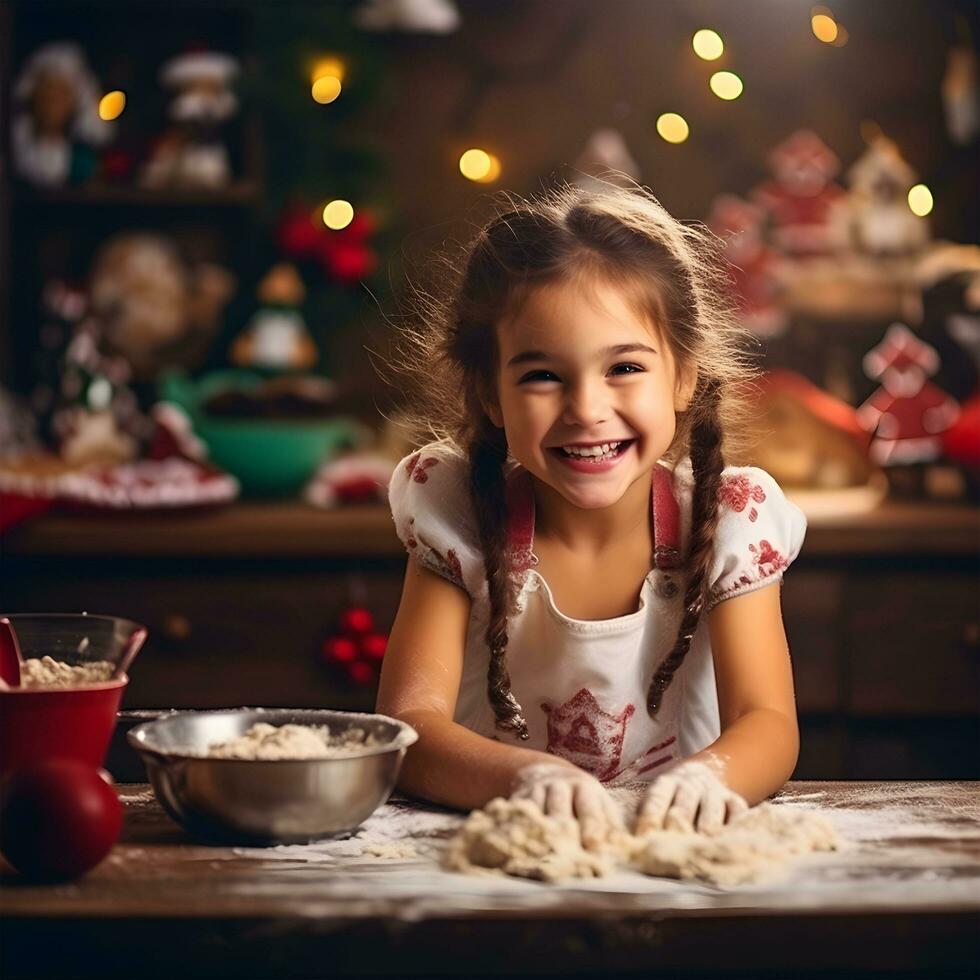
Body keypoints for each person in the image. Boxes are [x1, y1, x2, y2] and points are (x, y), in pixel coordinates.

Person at [375, 180, 807, 849]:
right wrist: (525, 778)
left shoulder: (726, 521)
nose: (586, 407)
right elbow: (409, 725)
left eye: (624, 367)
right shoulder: (455, 510)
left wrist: (707, 781)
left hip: (666, 851)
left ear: (683, 374)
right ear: (490, 394)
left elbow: (767, 721)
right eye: (542, 375)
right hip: (488, 852)